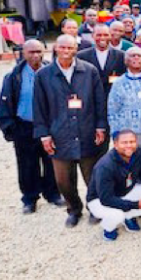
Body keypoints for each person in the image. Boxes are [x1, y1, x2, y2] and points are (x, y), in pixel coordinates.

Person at [33, 34, 107, 228]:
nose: (66, 51)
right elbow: (38, 108)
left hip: (87, 132)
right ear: (55, 48)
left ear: (76, 49)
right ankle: (74, 210)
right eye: (62, 47)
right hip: (59, 135)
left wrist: (100, 126)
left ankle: (95, 209)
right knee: (63, 180)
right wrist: (44, 135)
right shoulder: (43, 75)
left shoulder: (89, 71)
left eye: (70, 48)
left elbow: (100, 101)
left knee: (92, 177)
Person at [0, 39, 63, 214]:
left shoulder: (53, 72)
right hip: (24, 127)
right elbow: (5, 103)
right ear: (23, 53)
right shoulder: (14, 76)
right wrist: (10, 127)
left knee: (51, 162)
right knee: (27, 165)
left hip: (49, 127)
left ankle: (53, 193)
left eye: (38, 51)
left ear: (44, 52)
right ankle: (30, 198)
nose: (35, 55)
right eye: (31, 52)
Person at [85, 130, 141, 241]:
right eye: (124, 142)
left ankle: (128, 217)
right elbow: (106, 199)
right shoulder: (105, 165)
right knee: (117, 215)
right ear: (115, 145)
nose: (129, 145)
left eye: (132, 142)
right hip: (99, 200)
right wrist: (137, 204)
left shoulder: (139, 153)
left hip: (123, 191)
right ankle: (108, 228)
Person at [77, 23, 126, 97]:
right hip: (90, 98)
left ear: (110, 36)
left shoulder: (121, 56)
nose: (102, 38)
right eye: (99, 35)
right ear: (92, 36)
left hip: (113, 97)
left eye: (106, 35)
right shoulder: (81, 56)